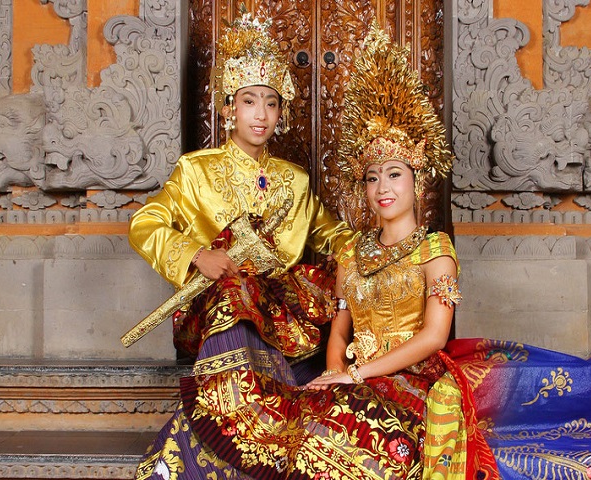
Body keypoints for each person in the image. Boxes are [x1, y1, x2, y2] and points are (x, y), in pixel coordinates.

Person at [168, 21, 501, 480]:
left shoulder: (434, 250)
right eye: (372, 178)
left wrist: (352, 375)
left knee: (336, 442)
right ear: (229, 108)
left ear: (418, 182)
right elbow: (340, 330)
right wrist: (334, 373)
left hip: (408, 376)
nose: (382, 188)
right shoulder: (196, 171)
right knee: (297, 432)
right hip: (270, 329)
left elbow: (433, 337)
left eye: (395, 175)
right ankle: (230, 415)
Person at [129, 9, 355, 479]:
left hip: (282, 312)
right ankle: (248, 419)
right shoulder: (196, 170)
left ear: (281, 112)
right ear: (230, 108)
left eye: (271, 103)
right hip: (218, 304)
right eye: (249, 101)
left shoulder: (294, 181)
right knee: (236, 289)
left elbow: (332, 235)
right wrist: (196, 254)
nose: (261, 114)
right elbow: (145, 223)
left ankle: (244, 429)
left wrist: (388, 245)